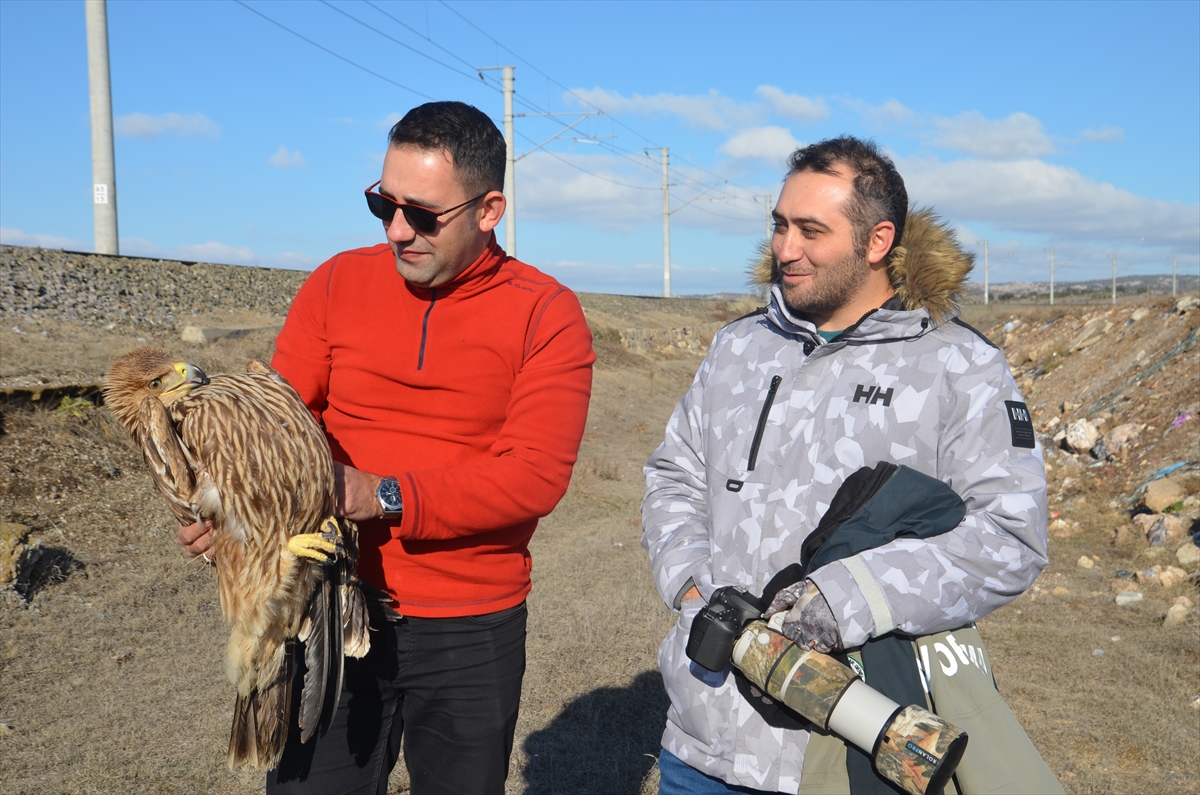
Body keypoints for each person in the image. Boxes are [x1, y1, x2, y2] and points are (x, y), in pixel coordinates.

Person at [179, 100, 595, 794]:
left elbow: (532, 476)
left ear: (489, 209)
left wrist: (381, 493)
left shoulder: (546, 313)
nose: (399, 230)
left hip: (472, 626)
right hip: (329, 603)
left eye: (424, 214)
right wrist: (233, 508)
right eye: (384, 204)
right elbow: (279, 425)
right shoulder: (338, 282)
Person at [641, 136, 1049, 793]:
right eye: (778, 224)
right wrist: (691, 585)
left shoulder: (959, 366)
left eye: (810, 230)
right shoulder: (738, 347)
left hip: (851, 748)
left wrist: (851, 595)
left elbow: (1010, 537)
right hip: (703, 740)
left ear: (878, 239)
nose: (784, 248)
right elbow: (675, 473)